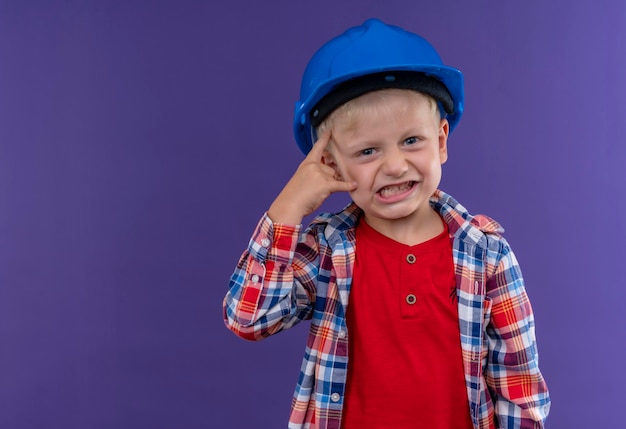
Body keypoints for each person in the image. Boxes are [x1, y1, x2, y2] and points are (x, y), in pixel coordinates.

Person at [223, 18, 550, 429]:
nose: (394, 166)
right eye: (367, 151)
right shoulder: (327, 249)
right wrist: (289, 206)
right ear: (330, 164)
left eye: (411, 140)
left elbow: (517, 383)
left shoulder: (486, 254)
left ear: (442, 141)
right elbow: (248, 317)